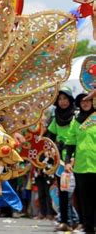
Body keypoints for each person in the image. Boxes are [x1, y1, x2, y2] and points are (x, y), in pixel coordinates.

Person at [64, 92, 95, 234]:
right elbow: (70, 143)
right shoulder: (75, 121)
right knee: (84, 198)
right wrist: (67, 161)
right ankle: (88, 226)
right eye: (82, 101)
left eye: (88, 100)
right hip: (81, 167)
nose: (85, 103)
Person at [47, 86, 76, 232]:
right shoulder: (55, 118)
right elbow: (50, 137)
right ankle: (65, 221)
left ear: (71, 100)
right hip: (60, 161)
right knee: (63, 191)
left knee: (78, 193)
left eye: (65, 98)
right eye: (60, 99)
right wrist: (52, 149)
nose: (63, 102)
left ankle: (80, 221)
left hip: (76, 159)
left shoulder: (77, 117)